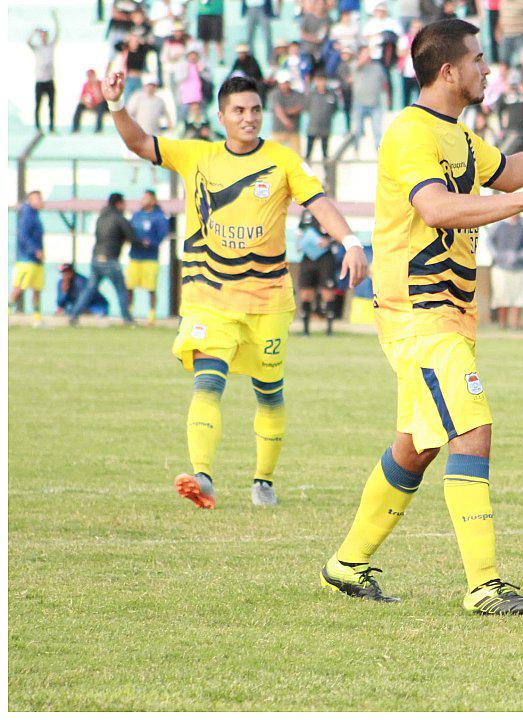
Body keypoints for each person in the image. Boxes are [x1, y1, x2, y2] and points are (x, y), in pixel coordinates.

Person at [319, 18, 523, 613]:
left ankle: (347, 562)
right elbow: (435, 209)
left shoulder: (456, 133)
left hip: (450, 313)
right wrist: (521, 204)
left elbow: (509, 170)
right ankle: (484, 585)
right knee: (472, 428)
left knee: (418, 444)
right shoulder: (411, 132)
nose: (488, 69)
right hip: (419, 313)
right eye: (480, 60)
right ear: (449, 71)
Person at [102, 70, 369, 510]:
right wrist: (116, 105)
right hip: (210, 297)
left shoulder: (283, 161)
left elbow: (319, 203)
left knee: (269, 393)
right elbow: (138, 142)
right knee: (208, 384)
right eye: (239, 111)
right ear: (222, 116)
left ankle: (263, 480)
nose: (249, 118)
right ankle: (203, 477)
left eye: (255, 110)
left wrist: (352, 242)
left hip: (267, 301)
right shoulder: (197, 155)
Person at [69, 193, 135, 326]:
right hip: (110, 259)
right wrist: (142, 243)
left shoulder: (101, 217)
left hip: (96, 258)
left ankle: (74, 315)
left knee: (89, 289)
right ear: (119, 204)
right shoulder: (119, 218)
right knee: (121, 290)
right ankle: (127, 319)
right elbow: (131, 236)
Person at [126, 189, 169, 325]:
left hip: (150, 259)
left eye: (146, 198)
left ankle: (151, 316)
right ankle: (129, 313)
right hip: (134, 257)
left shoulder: (160, 217)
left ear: (153, 200)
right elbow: (129, 231)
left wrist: (151, 243)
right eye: (142, 197)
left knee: (151, 288)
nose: (142, 200)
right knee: (129, 287)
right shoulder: (136, 215)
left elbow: (162, 236)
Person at [487, 214, 523, 331]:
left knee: (518, 299)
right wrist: (498, 256)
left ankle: (515, 325)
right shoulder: (498, 223)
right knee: (501, 297)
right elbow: (489, 241)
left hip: (520, 268)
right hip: (500, 267)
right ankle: (502, 324)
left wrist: (518, 256)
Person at [294, 209, 339, 336]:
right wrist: (300, 242)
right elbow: (299, 232)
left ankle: (329, 330)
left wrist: (328, 241)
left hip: (325, 257)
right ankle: (305, 330)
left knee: (328, 291)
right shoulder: (305, 214)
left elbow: (341, 234)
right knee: (306, 292)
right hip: (308, 257)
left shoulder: (330, 212)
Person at [10, 191, 46, 326]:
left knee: (37, 289)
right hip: (26, 260)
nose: (41, 201)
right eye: (38, 199)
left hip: (36, 261)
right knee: (19, 289)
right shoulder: (27, 216)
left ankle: (37, 319)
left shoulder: (35, 216)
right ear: (30, 200)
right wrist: (34, 250)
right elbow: (23, 236)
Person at [29, 13, 59, 133]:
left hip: (50, 80)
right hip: (40, 80)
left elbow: (57, 33)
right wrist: (34, 32)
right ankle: (37, 126)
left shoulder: (50, 46)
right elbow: (27, 42)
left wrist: (55, 20)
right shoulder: (37, 48)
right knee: (38, 105)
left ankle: (51, 126)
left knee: (51, 105)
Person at [303, 74, 339, 162]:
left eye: (323, 80)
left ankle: (327, 173)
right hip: (313, 127)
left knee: (325, 154)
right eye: (319, 81)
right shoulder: (311, 94)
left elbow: (335, 108)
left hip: (325, 127)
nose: (321, 83)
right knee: (308, 153)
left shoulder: (332, 94)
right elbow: (307, 107)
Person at [73, 70, 109, 134]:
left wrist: (94, 86)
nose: (90, 78)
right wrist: (87, 103)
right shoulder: (86, 85)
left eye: (91, 76)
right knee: (79, 106)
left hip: (103, 104)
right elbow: (81, 97)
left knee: (100, 106)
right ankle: (75, 129)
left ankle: (98, 130)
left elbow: (101, 98)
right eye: (88, 76)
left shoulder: (100, 84)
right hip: (93, 104)